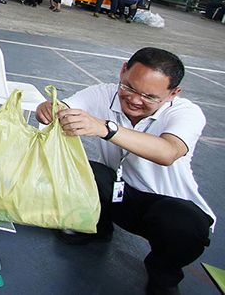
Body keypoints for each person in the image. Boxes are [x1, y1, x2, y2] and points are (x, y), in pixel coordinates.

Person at [36, 48, 214, 295]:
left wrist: (106, 128)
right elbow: (65, 105)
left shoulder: (186, 113)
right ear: (123, 70)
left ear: (173, 93)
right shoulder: (104, 93)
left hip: (166, 207)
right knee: (86, 171)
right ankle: (98, 227)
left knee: (184, 223)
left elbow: (168, 152)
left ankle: (164, 274)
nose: (135, 99)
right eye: (129, 87)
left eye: (149, 97)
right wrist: (49, 109)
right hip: (120, 195)